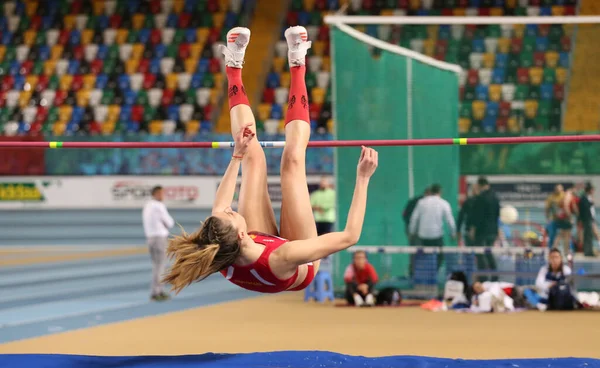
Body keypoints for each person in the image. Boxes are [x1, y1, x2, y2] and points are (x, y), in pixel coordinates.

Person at [162, 26, 378, 294]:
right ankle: (298, 63)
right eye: (232, 214)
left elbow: (221, 208)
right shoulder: (283, 255)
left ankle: (233, 67)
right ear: (241, 233)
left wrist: (238, 153)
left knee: (252, 155)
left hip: (256, 248)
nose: (229, 209)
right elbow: (350, 236)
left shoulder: (221, 238)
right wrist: (363, 178)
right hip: (298, 269)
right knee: (292, 160)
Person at [409, 183, 456, 270]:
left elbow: (414, 218)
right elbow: (450, 220)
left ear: (431, 191)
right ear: (440, 192)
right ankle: (435, 271)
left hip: (423, 236)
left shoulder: (421, 203)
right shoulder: (444, 203)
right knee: (440, 256)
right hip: (437, 236)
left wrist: (412, 232)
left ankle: (424, 273)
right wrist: (453, 233)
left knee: (422, 256)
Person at [142, 185, 175, 301]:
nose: (163, 196)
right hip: (159, 237)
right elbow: (170, 222)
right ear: (156, 194)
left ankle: (154, 291)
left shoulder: (147, 205)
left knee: (156, 265)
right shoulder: (159, 206)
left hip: (150, 237)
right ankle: (158, 291)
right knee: (161, 265)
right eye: (161, 193)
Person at [470, 177, 500, 271]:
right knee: (489, 252)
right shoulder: (495, 197)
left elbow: (477, 216)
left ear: (479, 185)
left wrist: (473, 230)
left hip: (482, 232)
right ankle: (494, 275)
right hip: (492, 231)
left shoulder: (480, 198)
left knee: (480, 254)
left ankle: (482, 277)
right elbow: (497, 215)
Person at [578, 182, 599, 257]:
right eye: (592, 189)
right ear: (589, 190)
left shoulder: (589, 197)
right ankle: (588, 251)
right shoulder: (584, 198)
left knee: (590, 235)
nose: (593, 191)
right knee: (588, 236)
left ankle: (589, 250)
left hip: (591, 219)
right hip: (587, 220)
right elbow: (583, 209)